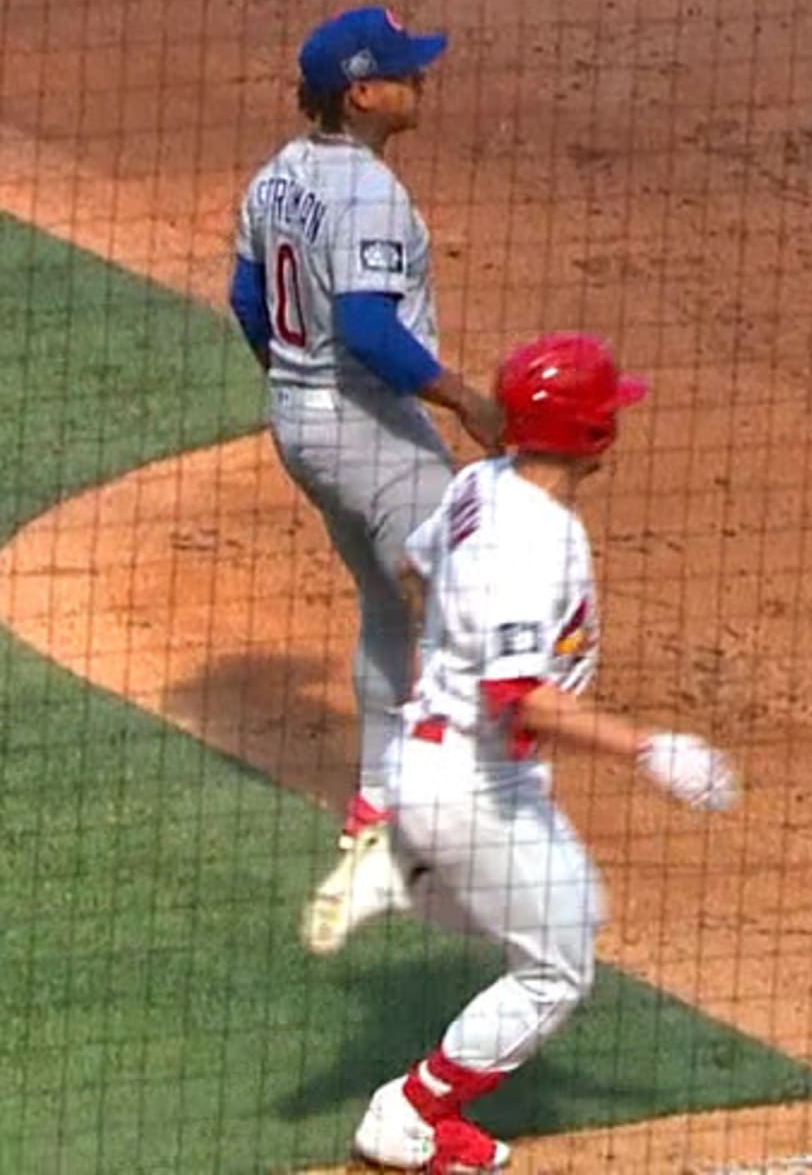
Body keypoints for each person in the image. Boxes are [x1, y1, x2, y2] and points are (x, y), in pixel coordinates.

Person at [312, 333, 740, 1173]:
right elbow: (523, 698)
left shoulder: (481, 483)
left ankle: (401, 846)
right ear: (589, 433)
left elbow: (412, 568)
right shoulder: (537, 541)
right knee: (557, 967)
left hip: (439, 759)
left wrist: (441, 673)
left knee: (563, 915)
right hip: (473, 781)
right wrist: (651, 749)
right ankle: (410, 1115)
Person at [229, 4, 506, 955]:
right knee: (460, 608)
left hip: (300, 423)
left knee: (391, 610)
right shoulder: (366, 194)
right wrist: (466, 398)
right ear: (363, 92)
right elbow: (372, 331)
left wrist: (298, 393)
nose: (420, 81)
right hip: (365, 427)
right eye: (405, 72)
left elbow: (242, 299)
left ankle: (377, 807)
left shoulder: (277, 176)